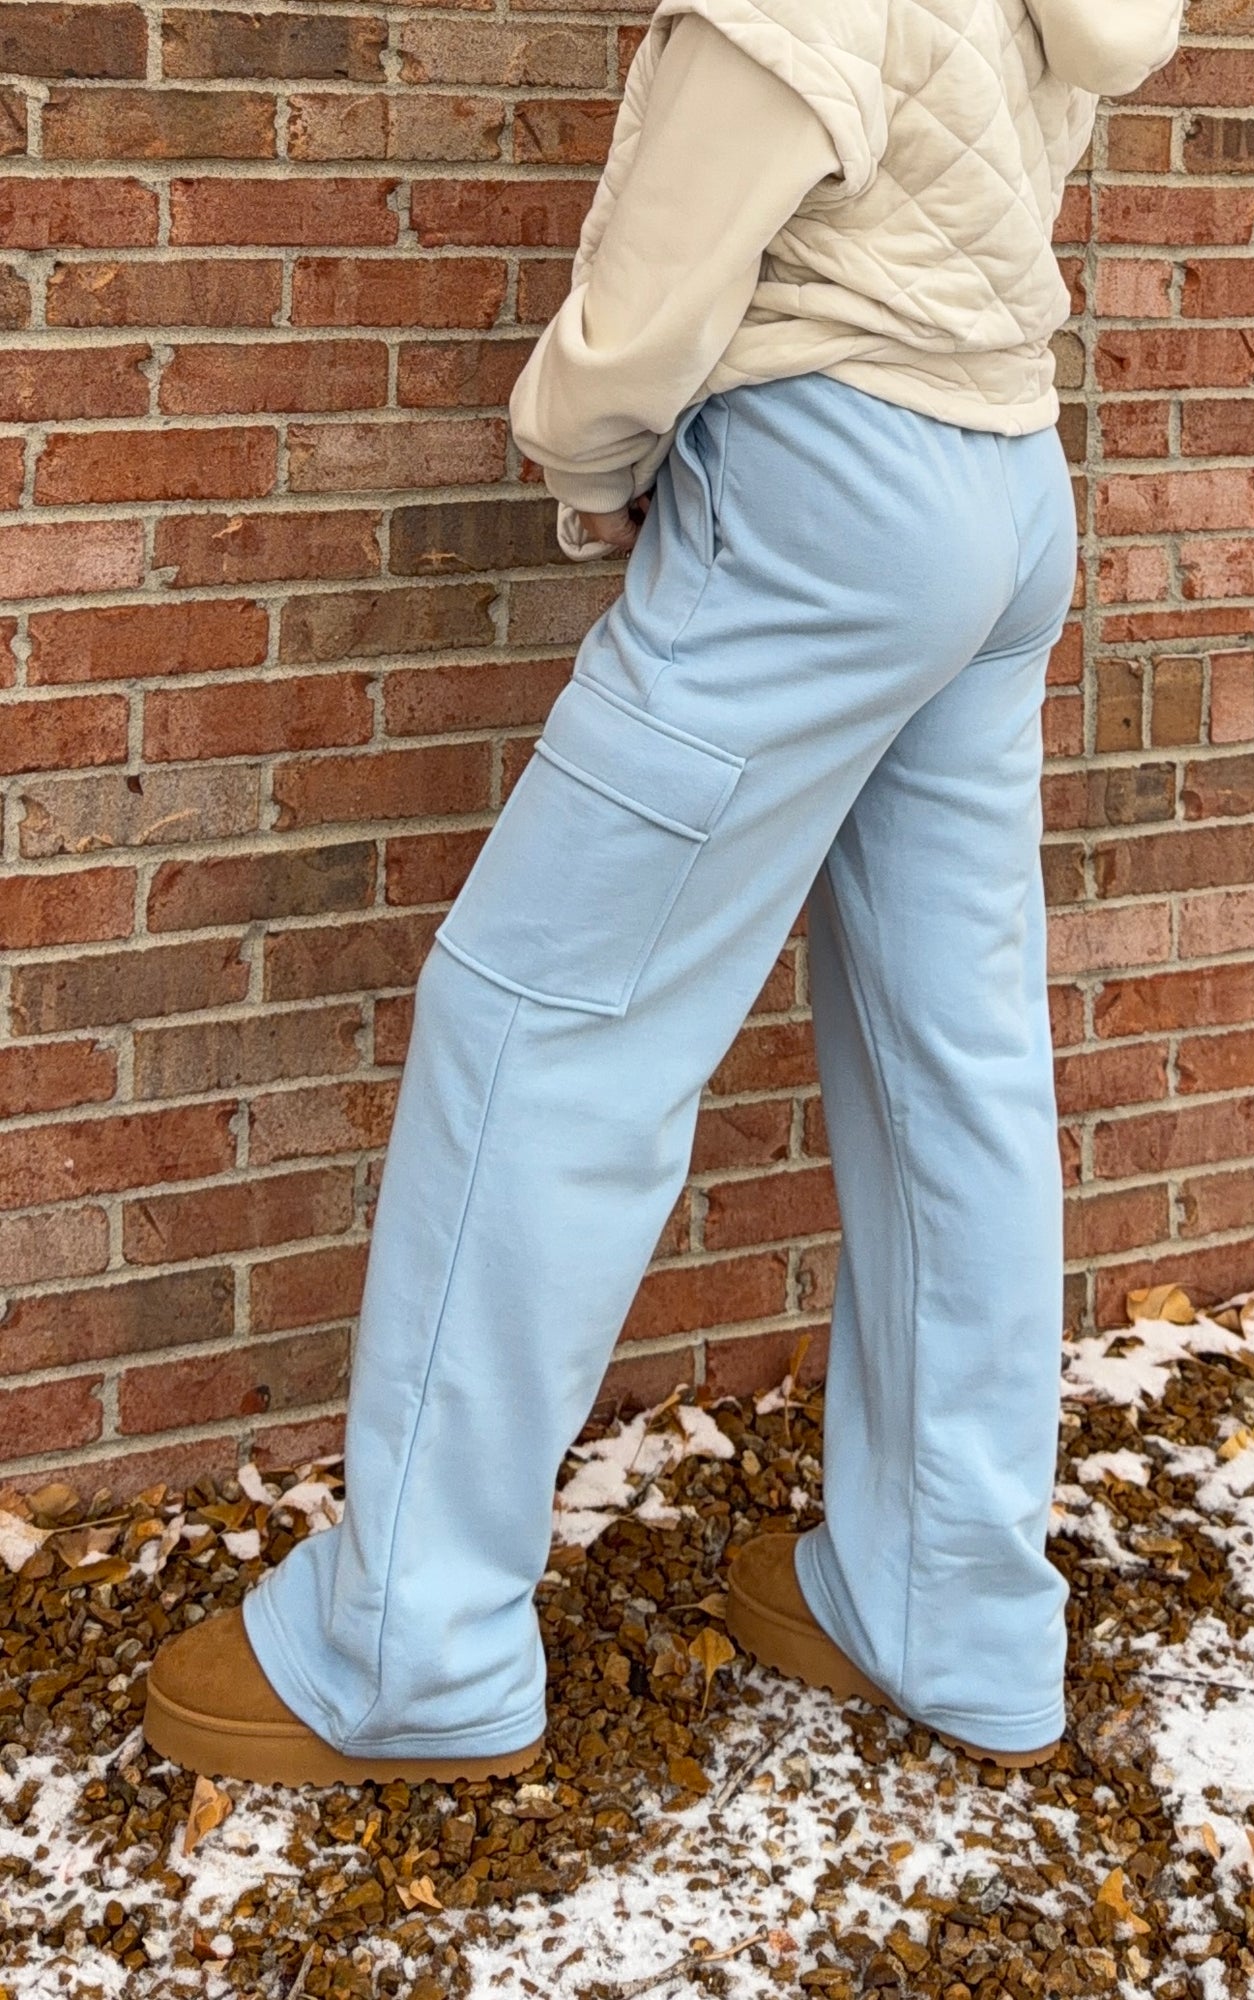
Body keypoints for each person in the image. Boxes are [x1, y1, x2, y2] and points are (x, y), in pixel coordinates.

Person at [142, 0, 1185, 1787]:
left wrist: (593, 462)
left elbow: (650, 301)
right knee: (958, 1059)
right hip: (1007, 482)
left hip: (825, 494)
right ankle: (952, 1607)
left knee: (539, 1022)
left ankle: (409, 1644)